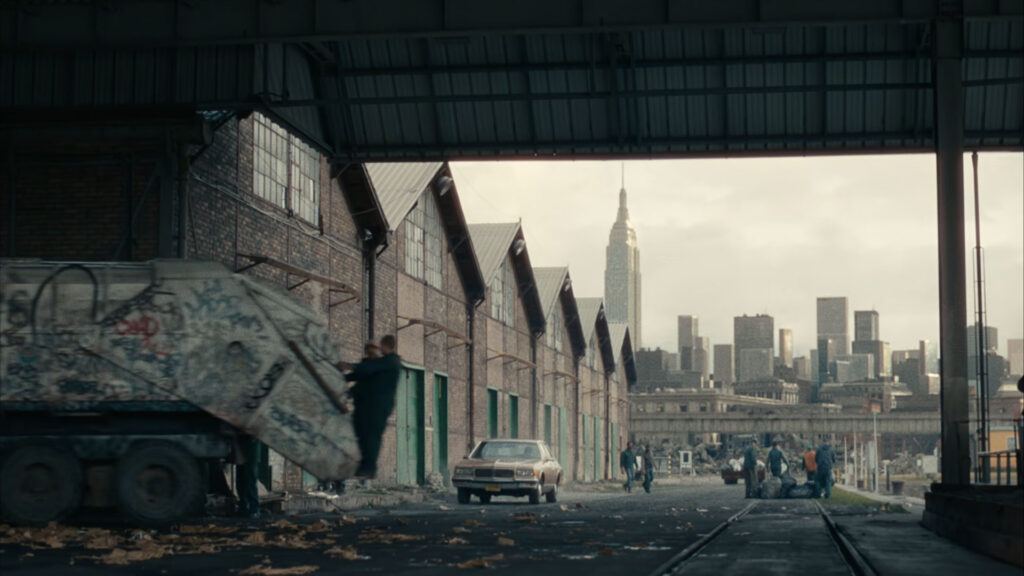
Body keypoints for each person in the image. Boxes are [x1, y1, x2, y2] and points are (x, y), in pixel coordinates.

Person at [345, 335, 402, 481]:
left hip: (378, 407)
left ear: (383, 346)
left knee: (371, 437)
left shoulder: (390, 362)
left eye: (377, 348)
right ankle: (364, 466)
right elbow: (360, 377)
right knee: (362, 435)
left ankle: (369, 468)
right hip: (367, 408)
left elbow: (365, 372)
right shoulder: (380, 363)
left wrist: (347, 367)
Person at [235, 433, 261, 518]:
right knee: (243, 477)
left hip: (249, 443)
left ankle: (252, 507)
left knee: (249, 477)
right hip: (244, 442)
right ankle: (246, 506)